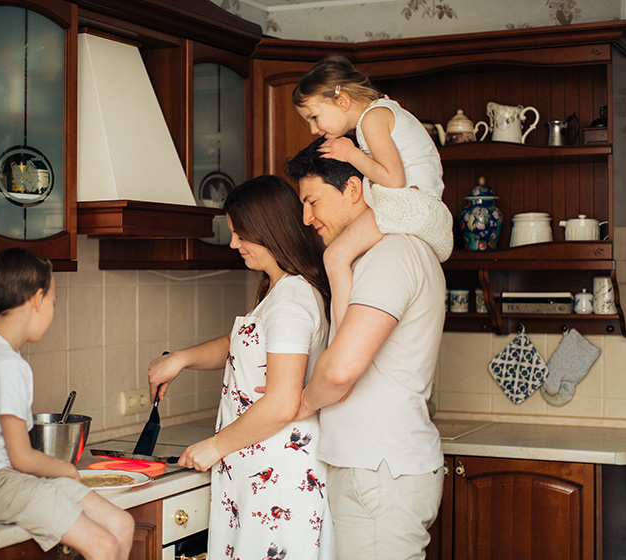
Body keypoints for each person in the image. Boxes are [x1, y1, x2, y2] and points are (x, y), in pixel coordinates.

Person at [147, 175, 334, 560]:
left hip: (278, 475)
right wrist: (180, 359)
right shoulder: (280, 290)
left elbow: (282, 402)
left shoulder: (290, 301)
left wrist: (215, 446)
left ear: (270, 230)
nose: (234, 244)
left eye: (240, 234)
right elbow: (244, 344)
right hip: (262, 465)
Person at [284, 140, 445, 559]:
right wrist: (337, 261)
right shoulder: (366, 256)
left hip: (379, 471)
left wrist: (300, 403)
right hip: (374, 468)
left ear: (353, 189)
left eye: (313, 200)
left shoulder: (393, 252)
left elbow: (341, 370)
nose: (307, 217)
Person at [0, 248, 134, 560]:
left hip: (4, 480)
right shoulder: (5, 364)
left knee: (121, 524)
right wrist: (66, 468)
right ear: (37, 300)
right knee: (104, 544)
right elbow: (22, 458)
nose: (52, 311)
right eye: (53, 303)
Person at [293, 54, 453, 328]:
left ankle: (340, 338)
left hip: (409, 204)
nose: (312, 129)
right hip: (421, 205)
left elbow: (393, 179)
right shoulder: (382, 111)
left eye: (315, 117)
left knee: (335, 256)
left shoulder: (372, 119)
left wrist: (351, 154)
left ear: (342, 100)